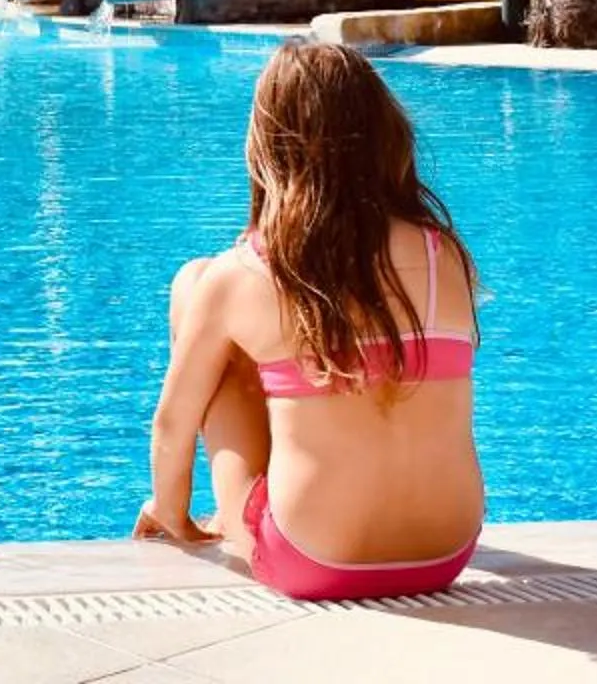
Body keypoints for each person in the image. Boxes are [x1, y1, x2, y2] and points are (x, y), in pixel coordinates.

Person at [135, 40, 483, 601]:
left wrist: (172, 515)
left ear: (270, 144)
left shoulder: (244, 273)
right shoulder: (448, 257)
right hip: (446, 553)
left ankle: (195, 510)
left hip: (312, 561)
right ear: (384, 133)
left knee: (193, 285)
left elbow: (171, 427)